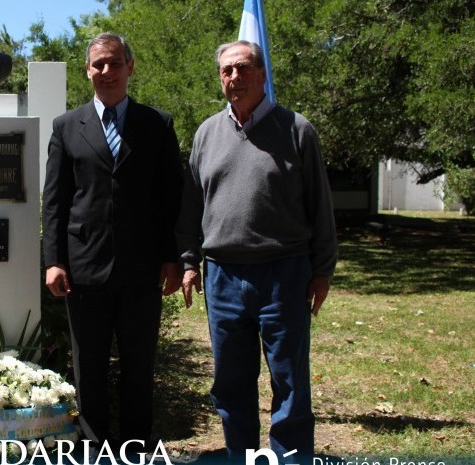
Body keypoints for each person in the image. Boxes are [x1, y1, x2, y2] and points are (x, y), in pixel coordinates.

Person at [176, 40, 337, 462]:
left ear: (262, 74)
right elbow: (193, 205)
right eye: (227, 71)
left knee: (289, 379)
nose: (235, 78)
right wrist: (190, 262)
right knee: (230, 381)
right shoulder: (207, 133)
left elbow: (320, 205)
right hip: (223, 276)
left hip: (284, 273)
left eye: (244, 68)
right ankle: (241, 455)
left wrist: (322, 269)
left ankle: (291, 457)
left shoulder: (297, 129)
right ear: (220, 78)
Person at [42, 32, 183, 452]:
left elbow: (171, 195)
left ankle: (137, 450)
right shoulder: (66, 127)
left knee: (140, 366)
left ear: (130, 67)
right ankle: (95, 450)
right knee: (89, 369)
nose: (106, 71)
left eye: (115, 63)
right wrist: (54, 260)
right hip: (84, 268)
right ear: (87, 70)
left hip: (142, 268)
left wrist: (173, 257)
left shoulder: (157, 124)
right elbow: (56, 200)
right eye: (98, 64)